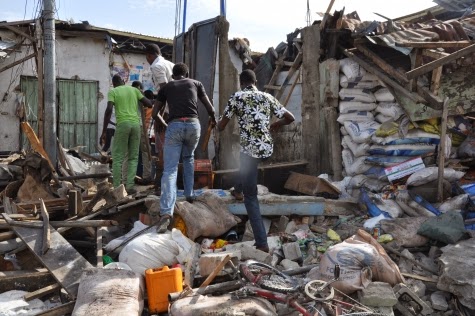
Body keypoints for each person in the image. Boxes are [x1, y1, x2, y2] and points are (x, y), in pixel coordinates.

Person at [218, 69, 295, 252]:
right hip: (266, 149)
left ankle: (261, 242)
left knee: (250, 196)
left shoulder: (237, 97)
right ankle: (237, 189)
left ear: (241, 82)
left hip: (249, 151)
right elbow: (290, 118)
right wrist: (276, 123)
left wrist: (217, 121)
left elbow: (221, 126)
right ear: (255, 81)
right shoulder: (267, 97)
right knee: (245, 168)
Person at [152, 63, 216, 233]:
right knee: (189, 158)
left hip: (175, 125)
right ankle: (189, 194)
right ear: (187, 73)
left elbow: (154, 113)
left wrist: (165, 123)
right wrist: (213, 119)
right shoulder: (196, 84)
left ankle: (166, 212)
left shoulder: (167, 87)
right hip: (194, 125)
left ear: (173, 75)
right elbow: (211, 108)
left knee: (170, 169)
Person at [100, 74, 153, 194]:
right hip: (136, 125)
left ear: (113, 83)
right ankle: (129, 186)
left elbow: (108, 110)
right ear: (124, 81)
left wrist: (104, 130)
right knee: (133, 157)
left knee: (118, 157)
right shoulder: (135, 90)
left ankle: (118, 187)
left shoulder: (113, 91)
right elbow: (149, 104)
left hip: (123, 124)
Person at [145, 44, 175, 191]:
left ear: (150, 55)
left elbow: (164, 91)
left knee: (162, 147)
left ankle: (161, 184)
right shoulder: (170, 64)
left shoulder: (156, 66)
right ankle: (166, 182)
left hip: (167, 111)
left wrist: (159, 116)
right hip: (175, 109)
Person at [131, 80, 153, 184]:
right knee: (145, 151)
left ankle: (128, 178)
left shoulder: (126, 95)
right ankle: (147, 175)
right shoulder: (139, 95)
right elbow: (149, 104)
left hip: (126, 125)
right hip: (139, 126)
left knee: (130, 153)